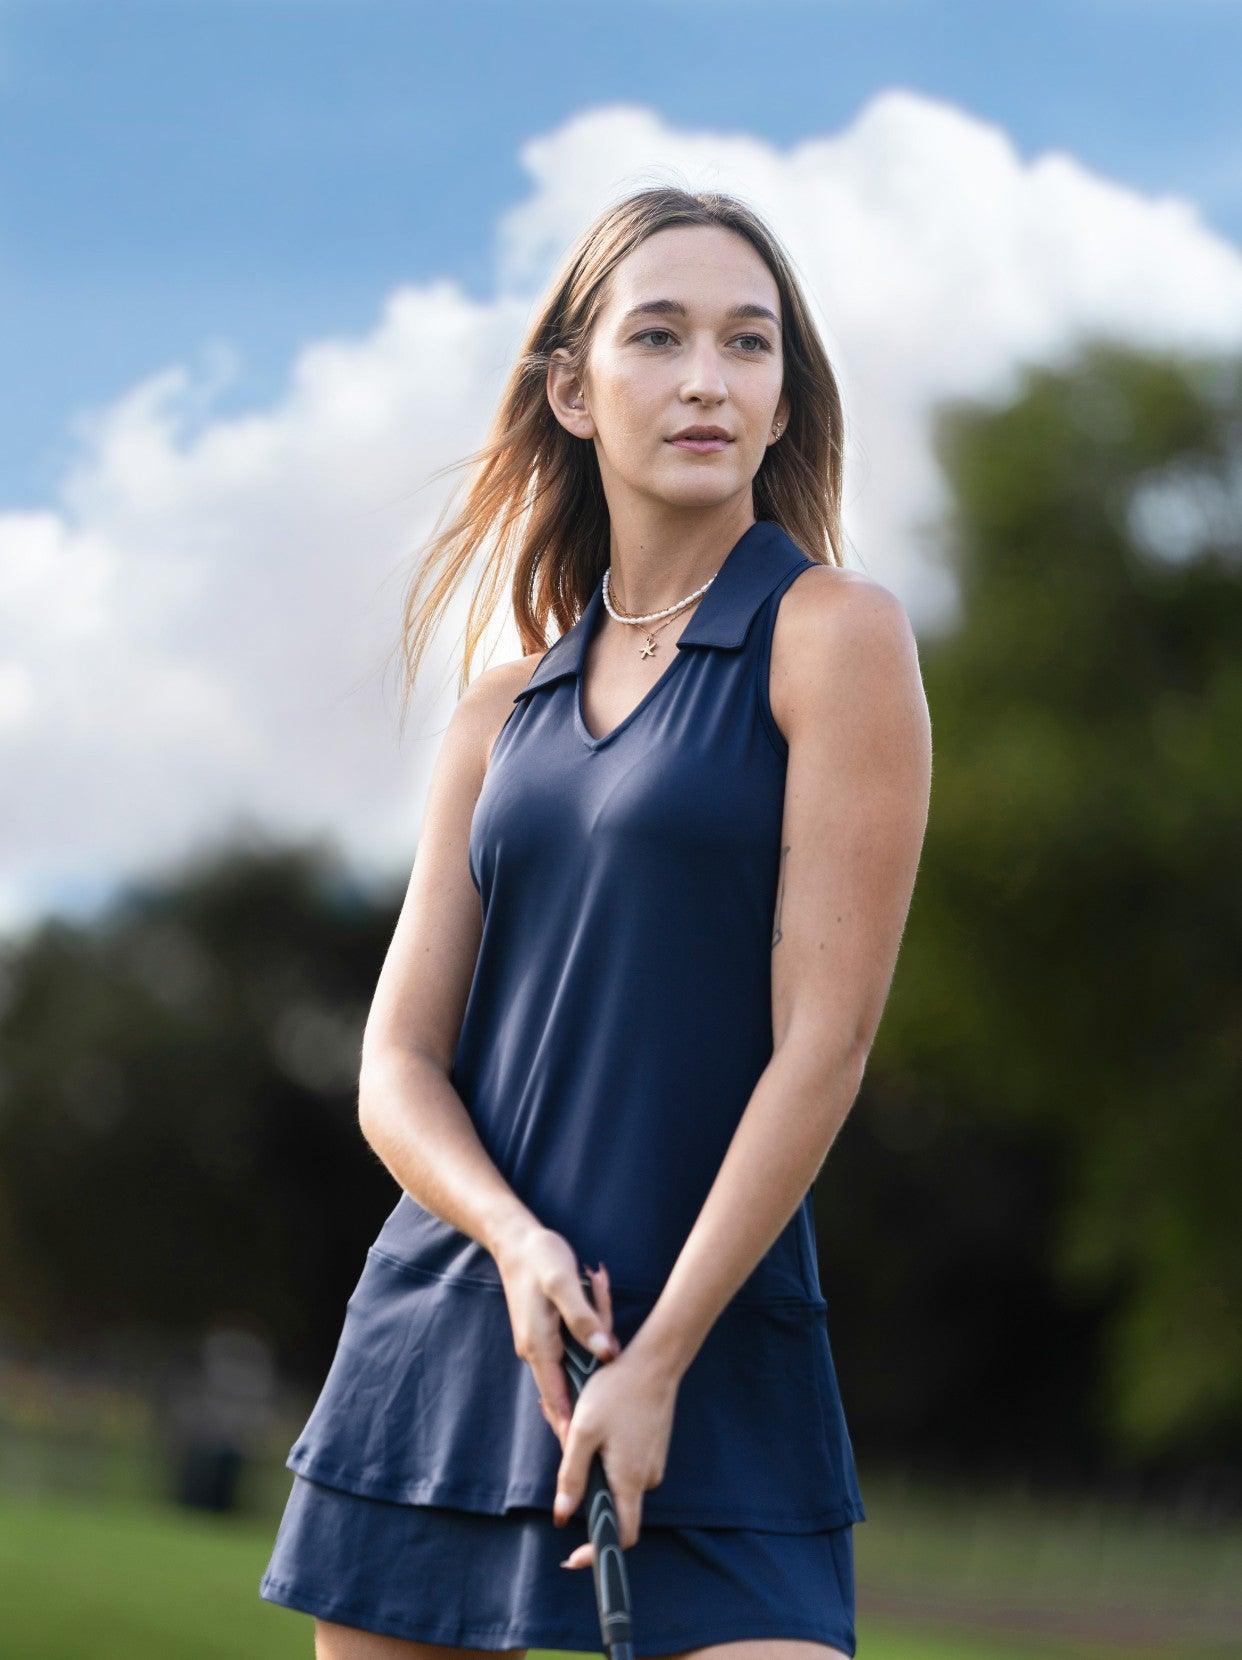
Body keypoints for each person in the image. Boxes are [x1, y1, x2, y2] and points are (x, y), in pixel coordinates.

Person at [259, 185, 932, 1660]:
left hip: (707, 1356)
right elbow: (395, 1064)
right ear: (570, 387)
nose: (707, 378)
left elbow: (822, 1048)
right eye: (660, 337)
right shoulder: (497, 710)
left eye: (749, 345)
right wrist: (506, 1241)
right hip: (448, 1347)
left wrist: (663, 1357)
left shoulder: (837, 638)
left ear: (780, 399)